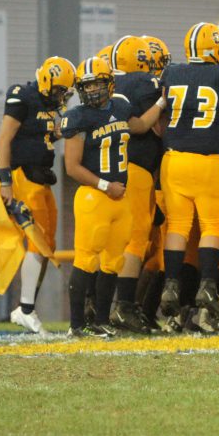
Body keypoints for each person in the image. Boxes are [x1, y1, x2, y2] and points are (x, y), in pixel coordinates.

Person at [157, 22, 219, 330]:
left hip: (174, 160)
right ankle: (207, 284)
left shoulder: (173, 73)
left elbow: (165, 110)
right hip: (210, 160)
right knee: (213, 225)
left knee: (178, 225)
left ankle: (171, 283)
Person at [62, 57, 160, 337]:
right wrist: (105, 185)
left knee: (114, 261)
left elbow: (140, 126)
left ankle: (102, 320)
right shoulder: (77, 117)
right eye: (87, 85)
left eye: (97, 83)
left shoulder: (120, 106)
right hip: (95, 196)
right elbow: (72, 167)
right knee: (86, 259)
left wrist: (162, 104)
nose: (92, 90)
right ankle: (77, 325)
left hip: (121, 197)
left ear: (110, 83)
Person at [0, 55, 75, 334]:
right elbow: (4, 139)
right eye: (59, 90)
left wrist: (59, 133)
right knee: (37, 242)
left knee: (47, 244)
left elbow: (40, 137)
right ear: (46, 81)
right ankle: (25, 309)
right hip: (23, 177)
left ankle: (27, 306)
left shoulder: (46, 105)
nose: (61, 96)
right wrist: (5, 182)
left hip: (41, 179)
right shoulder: (22, 96)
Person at [105, 35, 163, 334]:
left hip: (110, 167)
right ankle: (124, 306)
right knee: (136, 238)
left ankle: (98, 306)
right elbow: (153, 126)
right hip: (137, 169)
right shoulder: (145, 83)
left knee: (110, 240)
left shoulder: (111, 85)